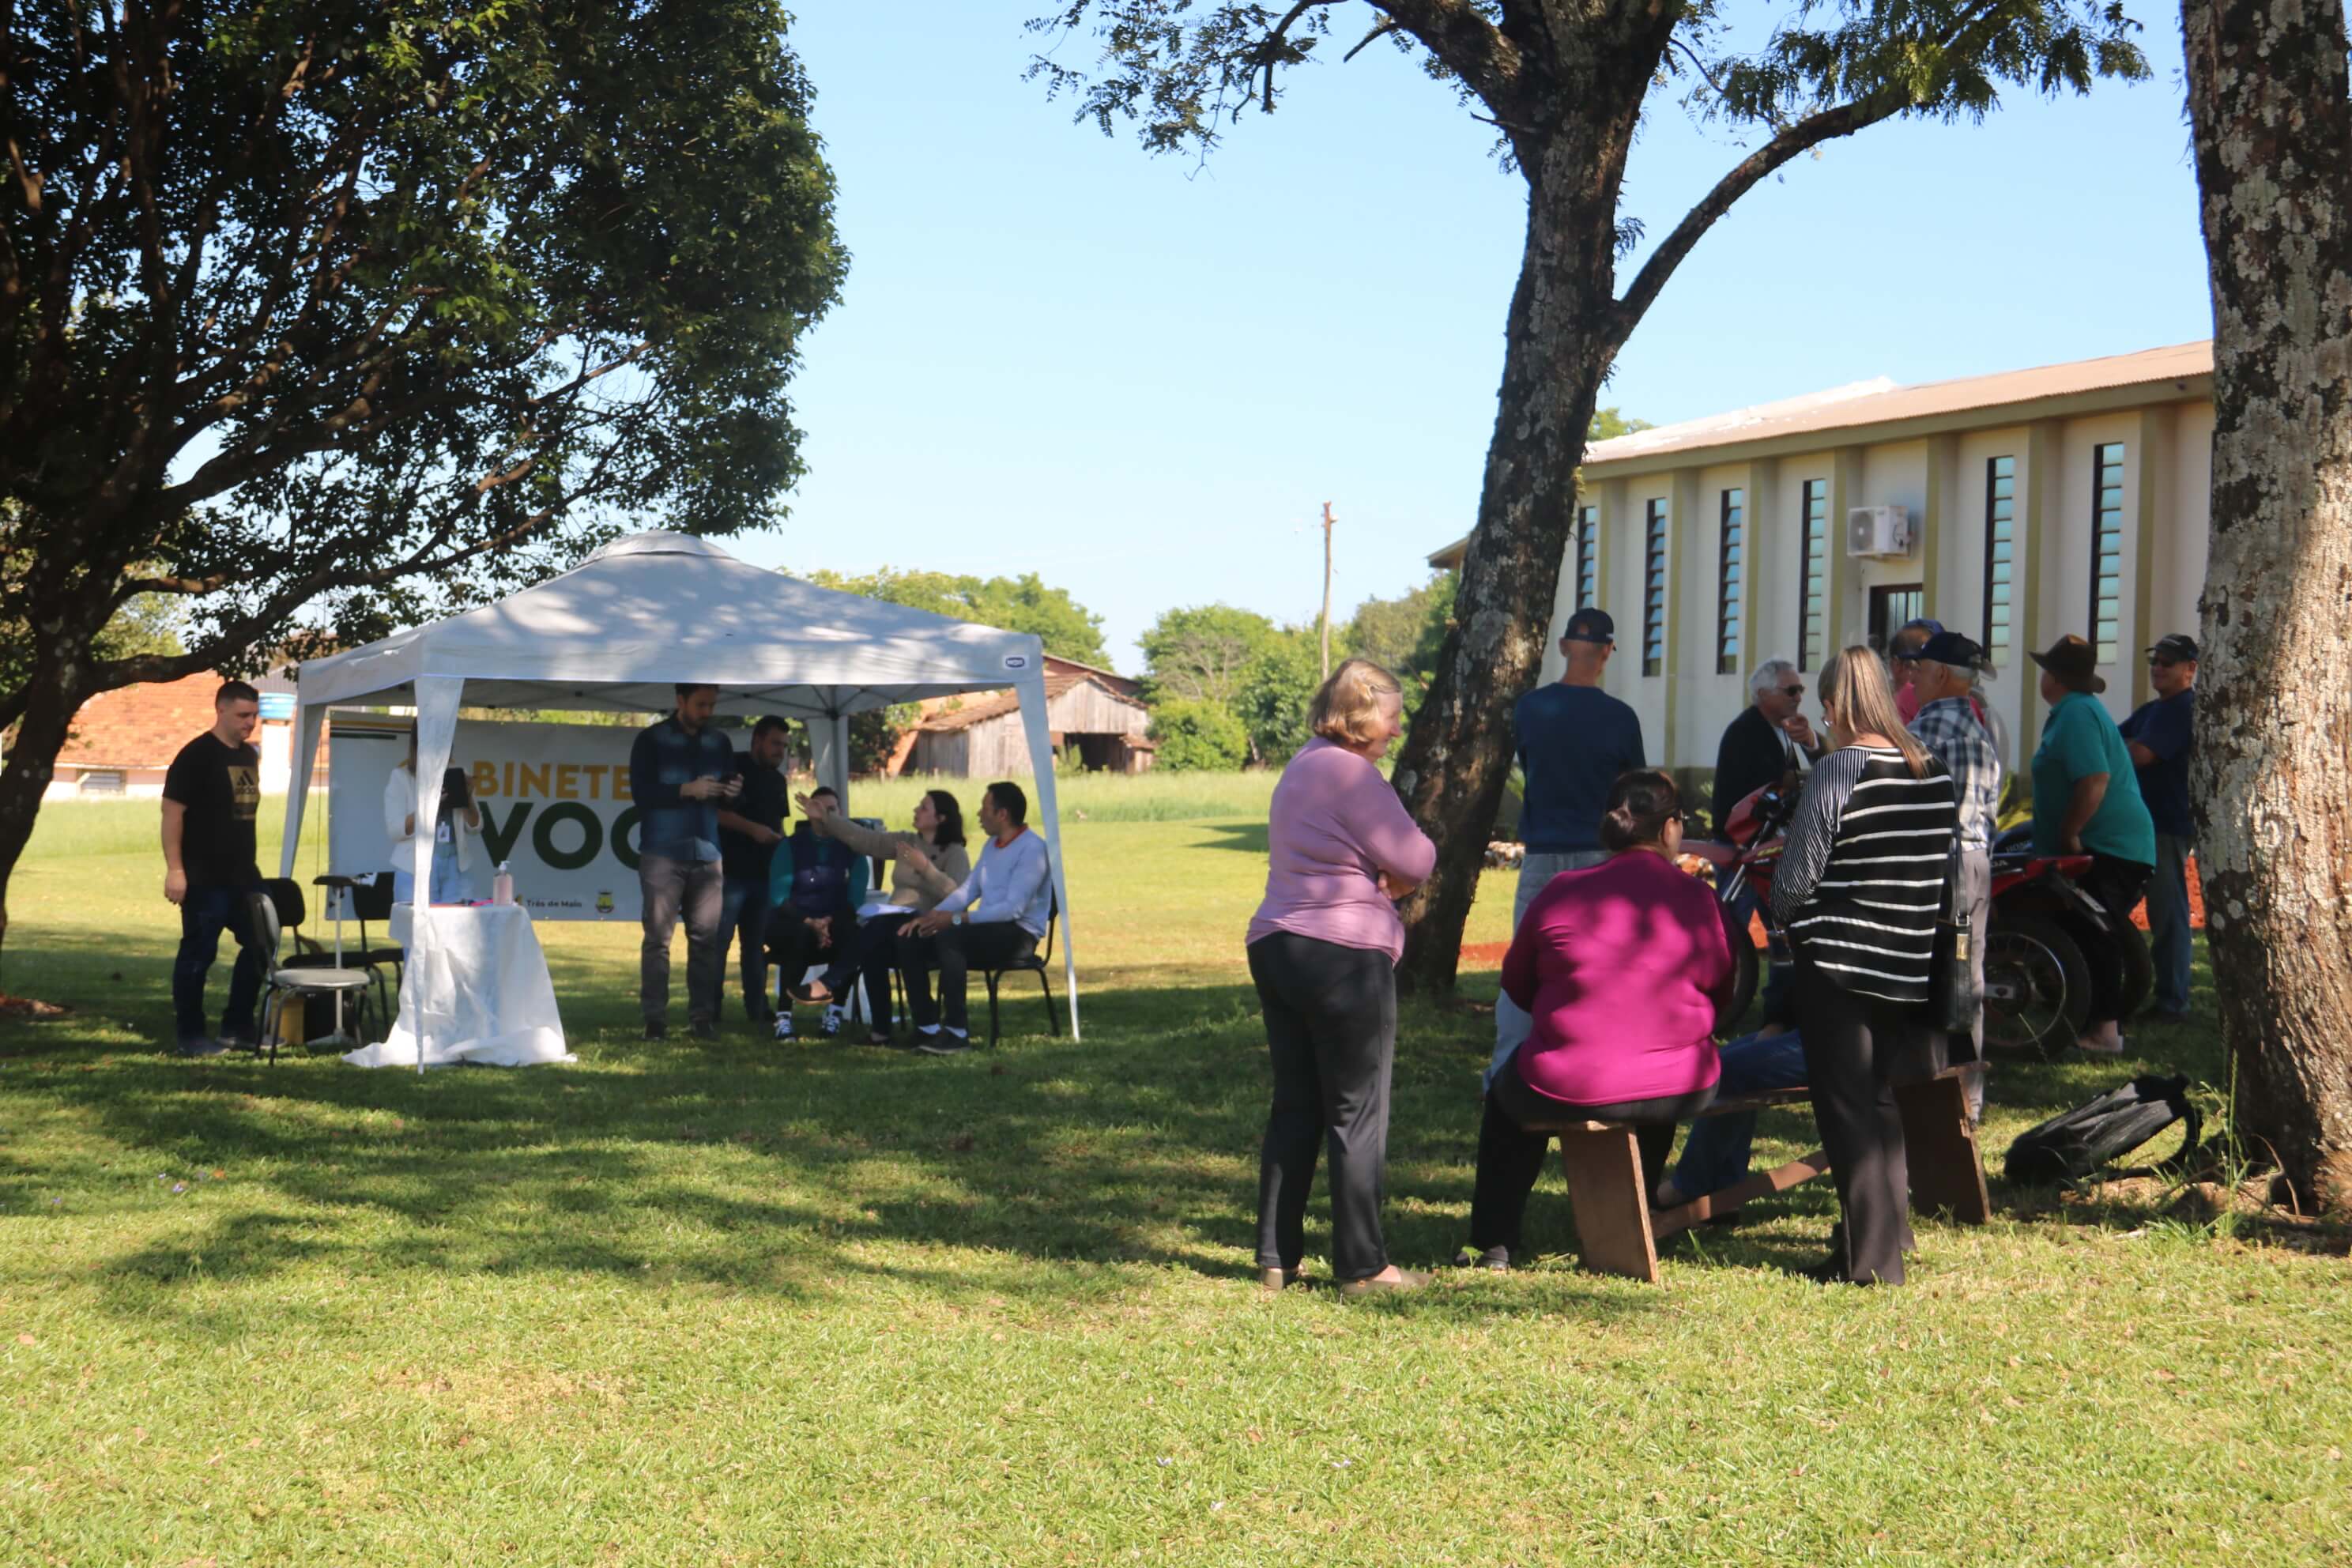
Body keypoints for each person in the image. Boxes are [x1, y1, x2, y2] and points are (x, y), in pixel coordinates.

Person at [1460, 770, 1730, 1271]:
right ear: (1671, 828)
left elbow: (1518, 986)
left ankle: (1492, 1242)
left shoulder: (1562, 891)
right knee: (1655, 1087)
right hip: (1680, 1081)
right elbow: (1723, 985)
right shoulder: (1698, 899)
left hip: (1568, 1077)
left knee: (1506, 1098)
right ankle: (1636, 1207)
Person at [1244, 658, 1435, 1295]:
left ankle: (1276, 1256)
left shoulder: (1300, 765)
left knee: (1295, 1105)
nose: (1397, 730)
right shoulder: (1356, 775)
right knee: (1357, 1111)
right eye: (1392, 717)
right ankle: (1362, 1265)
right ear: (1360, 716)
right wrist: (1399, 876)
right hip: (1343, 955)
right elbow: (1417, 856)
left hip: (1277, 945)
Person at [1770, 646, 1958, 1285]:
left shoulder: (1837, 769)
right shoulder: (1931, 768)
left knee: (1845, 1106)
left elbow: (1797, 875)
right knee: (1882, 1101)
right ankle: (1883, 1236)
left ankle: (1871, 1261)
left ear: (1831, 706)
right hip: (1906, 956)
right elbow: (1945, 869)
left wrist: (1782, 919)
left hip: (1840, 956)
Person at [1494, 606, 1645, 1086]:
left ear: (1563, 647)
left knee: (1526, 965)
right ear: (1607, 653)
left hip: (1541, 852)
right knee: (1601, 966)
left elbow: (1527, 761)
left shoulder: (1529, 710)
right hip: (1599, 857)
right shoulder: (1621, 717)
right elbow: (1634, 793)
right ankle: (1600, 1068)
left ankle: (1506, 1074)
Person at [2028, 634, 2158, 1054]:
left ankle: (2104, 1030)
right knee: (2093, 930)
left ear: (2055, 678)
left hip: (2107, 845)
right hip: (2113, 843)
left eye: (2046, 670)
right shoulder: (2075, 711)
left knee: (2093, 931)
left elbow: (2094, 780)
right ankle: (2099, 1017)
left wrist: (2069, 834)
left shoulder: (2077, 715)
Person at [1906, 630, 2003, 1121]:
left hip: (1941, 866)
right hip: (1975, 863)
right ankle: (1967, 1095)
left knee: (1938, 975)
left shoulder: (1929, 729)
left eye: (1919, 669)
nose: (1913, 678)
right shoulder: (1979, 728)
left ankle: (1937, 1091)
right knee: (1967, 976)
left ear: (1940, 674)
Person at [796, 788, 972, 1044]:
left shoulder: (956, 853)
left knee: (881, 930)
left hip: (930, 930)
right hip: (896, 928)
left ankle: (832, 983)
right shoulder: (906, 842)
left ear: (941, 819)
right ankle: (889, 1030)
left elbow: (959, 899)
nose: (916, 810)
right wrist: (826, 818)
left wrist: (926, 868)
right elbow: (865, 839)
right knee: (876, 940)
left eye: (923, 808)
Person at [899, 779, 1051, 1057]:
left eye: (985, 808)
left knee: (950, 936)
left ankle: (957, 1032)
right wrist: (931, 917)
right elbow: (969, 890)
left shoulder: (1032, 849)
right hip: (986, 930)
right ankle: (928, 1027)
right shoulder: (992, 846)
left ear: (1002, 814)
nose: (980, 814)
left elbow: (1012, 911)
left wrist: (954, 920)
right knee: (913, 936)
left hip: (1018, 935)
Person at [161, 680, 268, 1057]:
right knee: (198, 953)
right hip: (204, 876)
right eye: (242, 715)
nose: (250, 722)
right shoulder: (196, 756)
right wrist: (176, 870)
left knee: (261, 943)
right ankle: (190, 1034)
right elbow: (172, 814)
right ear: (220, 710)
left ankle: (237, 1026)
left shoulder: (250, 755)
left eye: (254, 715)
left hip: (244, 875)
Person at [630, 683, 740, 1041]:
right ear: (680, 701)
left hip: (707, 853)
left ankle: (702, 1018)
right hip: (663, 851)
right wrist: (685, 790)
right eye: (701, 704)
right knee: (658, 939)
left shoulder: (719, 743)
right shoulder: (652, 740)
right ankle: (655, 1020)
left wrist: (732, 793)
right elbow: (641, 795)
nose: (707, 712)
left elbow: (726, 798)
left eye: (712, 704)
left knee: (706, 939)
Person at [2121, 634, 2199, 1020]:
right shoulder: (2154, 709)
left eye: (2169, 662)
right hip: (2144, 824)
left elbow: (2138, 754)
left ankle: (2173, 1002)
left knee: (2168, 913)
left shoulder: (2182, 708)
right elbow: (2113, 741)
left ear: (2190, 669)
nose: (2159, 667)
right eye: (2156, 660)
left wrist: (2132, 746)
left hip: (2167, 824)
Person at [1654, 1023, 1809, 1209]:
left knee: (1720, 1071)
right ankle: (1724, 1194)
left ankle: (1691, 1188)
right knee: (1723, 1059)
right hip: (1817, 1027)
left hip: (1837, 1036)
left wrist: (1777, 1022)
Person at [766, 786, 870, 1040]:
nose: (825, 815)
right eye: (819, 809)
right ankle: (783, 1017)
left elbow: (855, 899)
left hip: (834, 922)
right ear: (809, 813)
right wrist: (811, 922)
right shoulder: (789, 846)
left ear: (841, 813)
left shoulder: (853, 850)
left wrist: (826, 923)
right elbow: (778, 896)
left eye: (832, 810)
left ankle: (834, 1013)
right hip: (793, 920)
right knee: (800, 935)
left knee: (850, 935)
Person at [714, 715, 791, 1026]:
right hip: (729, 873)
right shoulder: (733, 768)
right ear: (757, 739)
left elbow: (779, 825)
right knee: (719, 943)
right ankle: (709, 1011)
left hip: (764, 876)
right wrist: (753, 830)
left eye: (785, 746)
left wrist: (785, 850)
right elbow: (716, 813)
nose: (780, 751)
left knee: (756, 947)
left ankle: (758, 1010)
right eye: (775, 743)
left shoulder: (779, 781)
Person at [1710, 658, 1822, 833]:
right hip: (1741, 843)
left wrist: (1808, 738)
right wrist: (1821, 778)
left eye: (1800, 690)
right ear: (1763, 694)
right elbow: (1777, 782)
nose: (1799, 698)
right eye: (1791, 691)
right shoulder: (1746, 731)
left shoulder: (1782, 727)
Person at [384, 734, 481, 906]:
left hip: (457, 866)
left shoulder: (459, 772)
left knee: (458, 929)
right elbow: (396, 831)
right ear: (418, 744)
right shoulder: (401, 776)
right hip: (415, 867)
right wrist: (430, 804)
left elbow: (476, 826)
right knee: (417, 930)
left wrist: (467, 797)